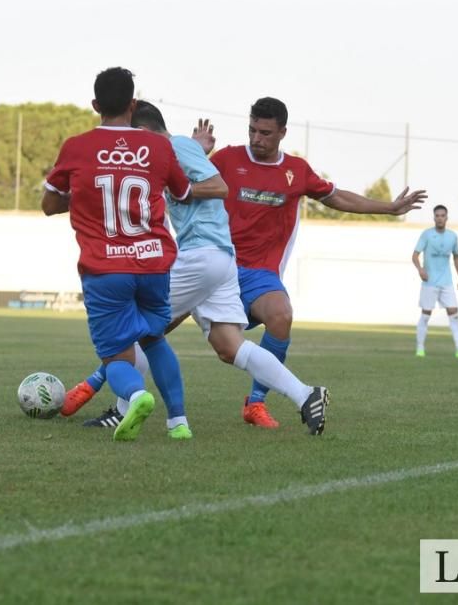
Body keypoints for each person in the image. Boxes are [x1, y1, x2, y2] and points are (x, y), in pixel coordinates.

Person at [81, 102, 329, 436]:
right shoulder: (177, 148)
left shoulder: (170, 147)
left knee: (135, 328)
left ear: (141, 132)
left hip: (200, 254)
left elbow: (218, 186)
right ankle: (305, 394)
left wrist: (181, 187)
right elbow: (189, 163)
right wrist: (197, 149)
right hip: (221, 258)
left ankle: (124, 409)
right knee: (230, 346)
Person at [211, 96, 427, 427]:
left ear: (283, 132)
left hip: (259, 273)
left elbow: (337, 196)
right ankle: (109, 388)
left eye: (265, 133)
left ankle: (255, 403)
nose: (256, 139)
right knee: (159, 324)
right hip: (217, 267)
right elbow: (184, 183)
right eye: (252, 130)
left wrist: (389, 207)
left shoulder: (296, 171)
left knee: (281, 316)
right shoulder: (226, 158)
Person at [41, 67, 192, 442]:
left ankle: (137, 396)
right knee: (155, 338)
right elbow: (184, 193)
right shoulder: (159, 146)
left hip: (105, 267)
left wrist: (83, 197)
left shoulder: (76, 147)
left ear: (95, 105)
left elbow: (48, 204)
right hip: (154, 263)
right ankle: (179, 423)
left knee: (115, 355)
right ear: (134, 103)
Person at [412, 205, 458, 359]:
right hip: (429, 283)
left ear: (447, 217)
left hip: (447, 282)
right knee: (426, 315)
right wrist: (420, 269)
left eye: (442, 215)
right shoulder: (426, 234)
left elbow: (457, 257)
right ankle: (420, 348)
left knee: (454, 313)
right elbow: (415, 255)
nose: (440, 218)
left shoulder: (453, 236)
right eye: (437, 215)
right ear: (434, 218)